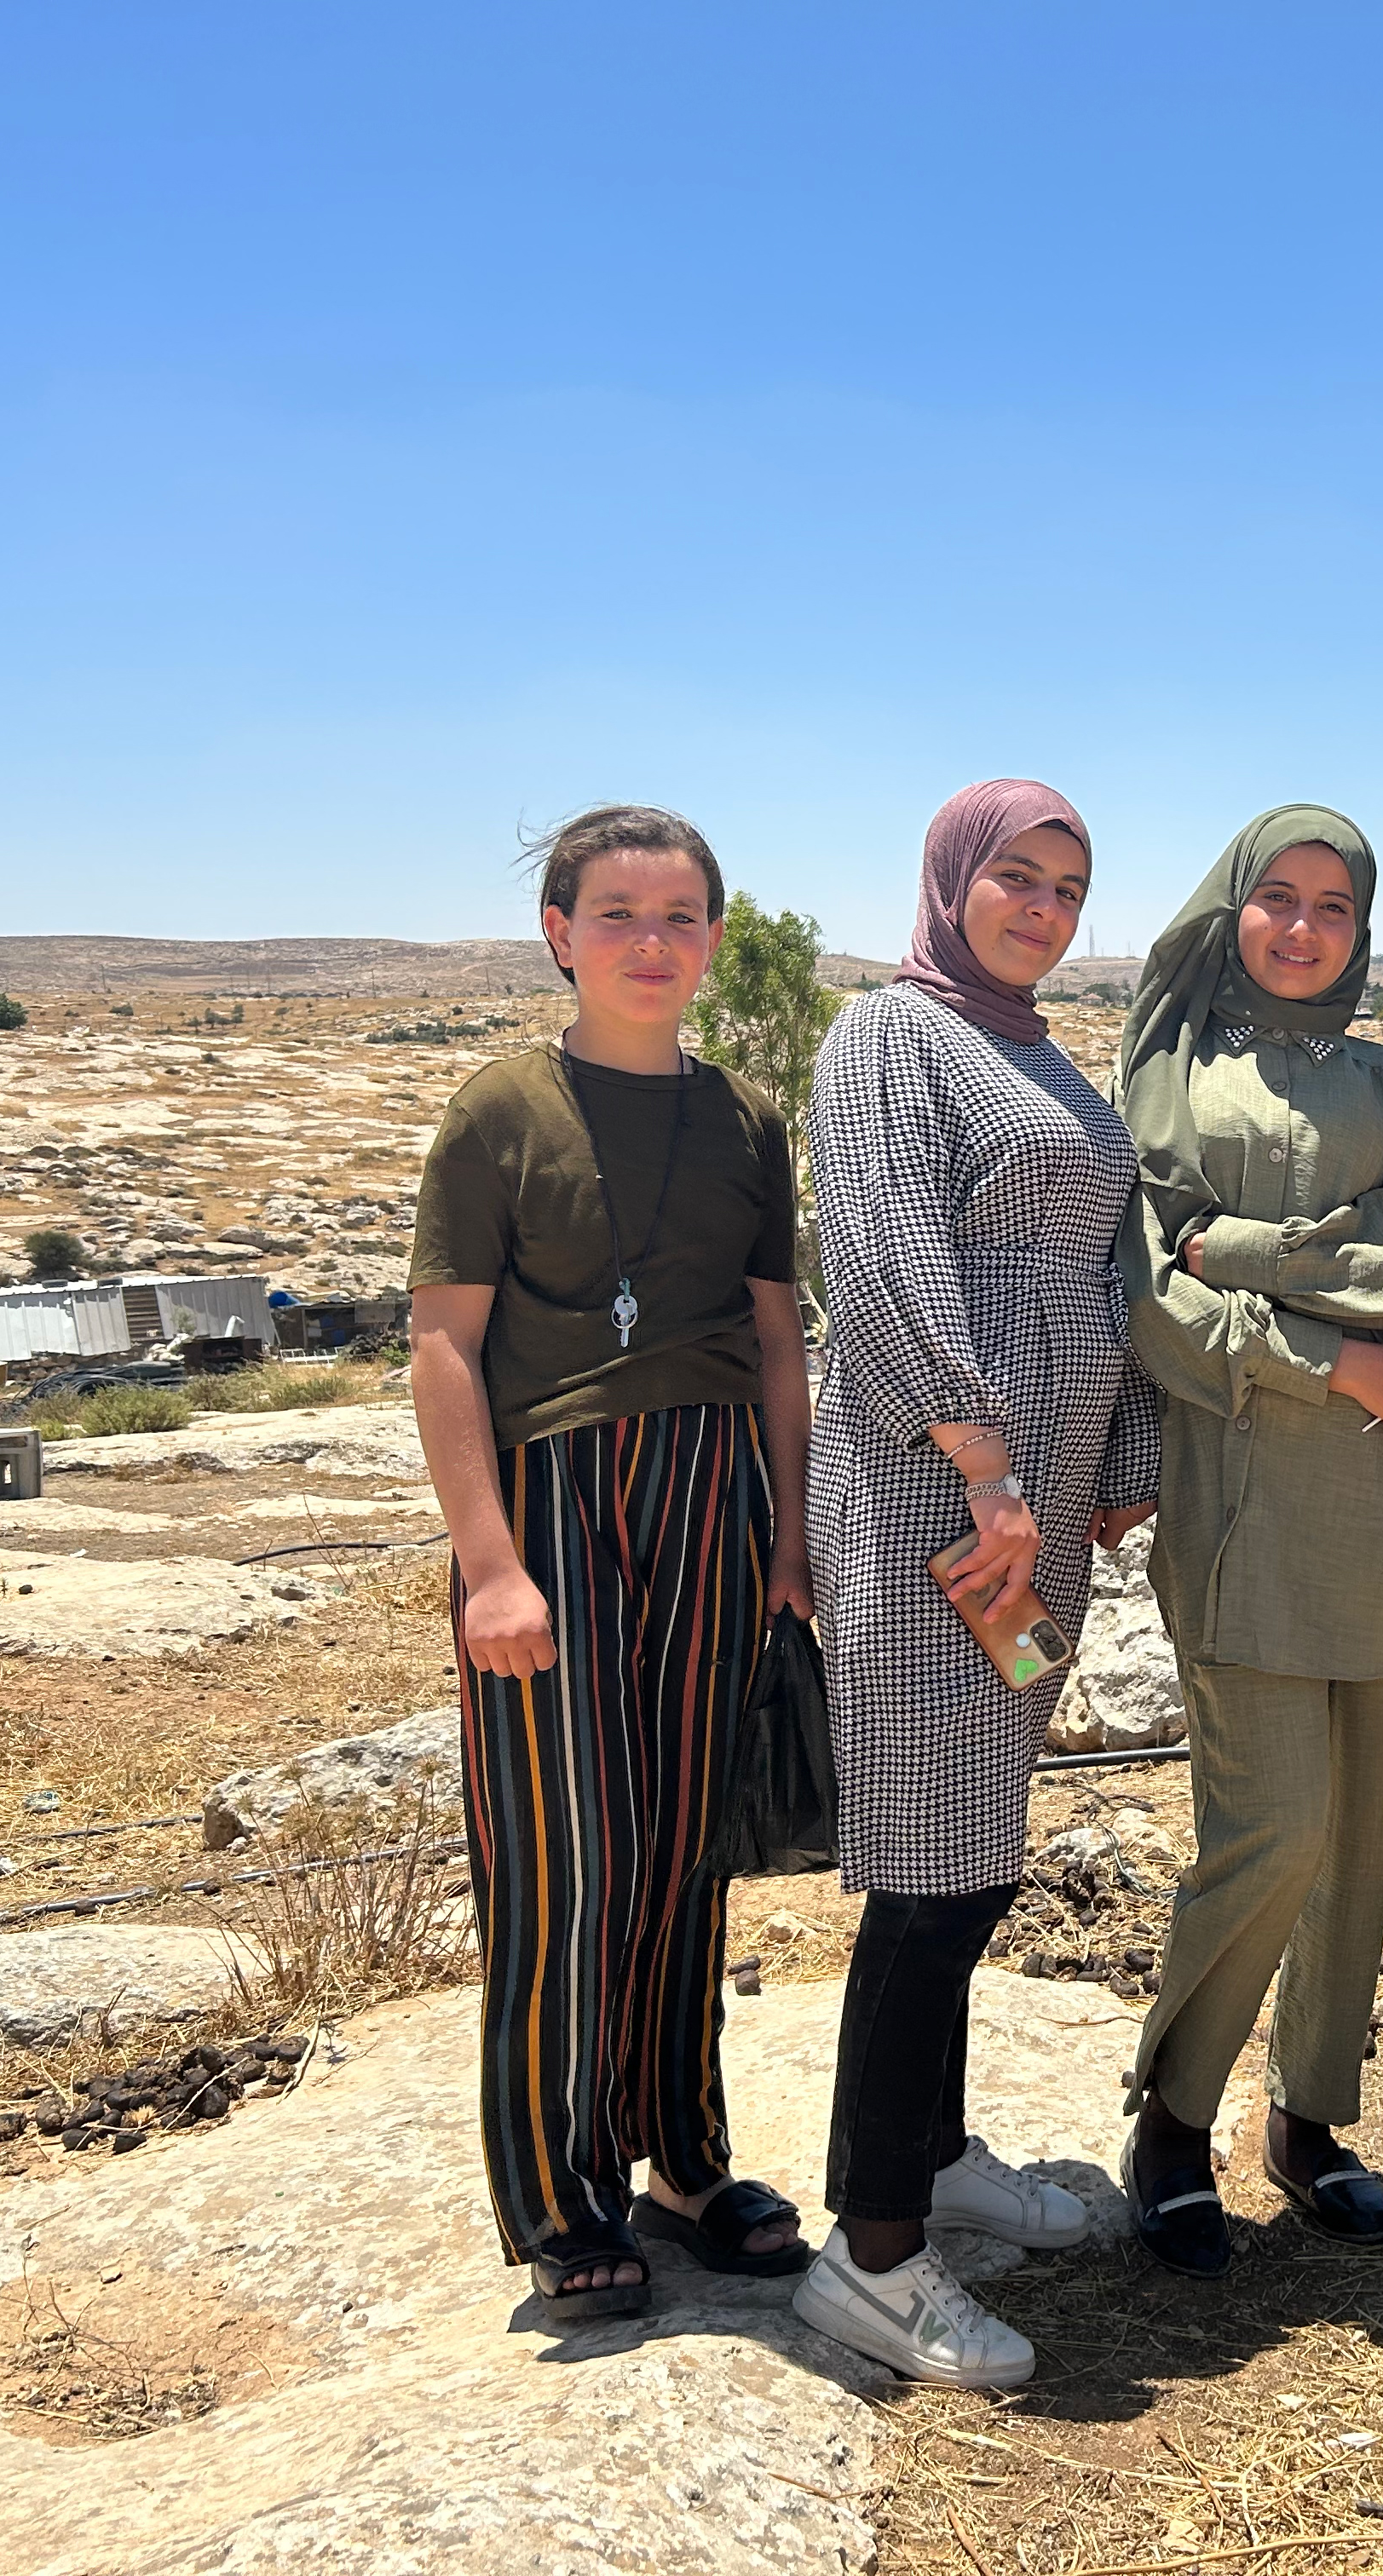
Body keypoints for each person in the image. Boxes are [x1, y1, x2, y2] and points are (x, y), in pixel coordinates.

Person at [407, 803, 815, 2324]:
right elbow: (444, 1347)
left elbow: (779, 1342)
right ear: (559, 935)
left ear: (712, 937)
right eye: (621, 915)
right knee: (565, 1861)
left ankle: (685, 2167)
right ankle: (560, 2193)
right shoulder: (500, 1110)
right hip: (551, 1505)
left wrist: (789, 1535)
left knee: (682, 1856)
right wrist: (489, 1568)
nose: (655, 944)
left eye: (683, 917)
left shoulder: (749, 1119)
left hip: (712, 1491)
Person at [795, 780, 1161, 2388]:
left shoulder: (1032, 1044)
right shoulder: (892, 1037)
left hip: (1033, 1523)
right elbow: (878, 1253)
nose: (1045, 907)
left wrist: (1115, 1464)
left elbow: (1109, 1262)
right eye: (1017, 876)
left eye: (1070, 886)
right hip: (936, 1504)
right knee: (929, 1866)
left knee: (979, 1840)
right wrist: (990, 1465)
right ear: (953, 879)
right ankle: (871, 2256)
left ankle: (932, 2153)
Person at [1109, 806, 1383, 2276]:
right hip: (1244, 1502)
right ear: (1234, 908)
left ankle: (1312, 2119)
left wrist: (1244, 1254)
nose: (1306, 927)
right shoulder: (1170, 1077)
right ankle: (1171, 2118)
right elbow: (1150, 1295)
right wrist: (1328, 1360)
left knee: (1367, 1839)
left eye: (1337, 904)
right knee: (1271, 1834)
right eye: (1281, 898)